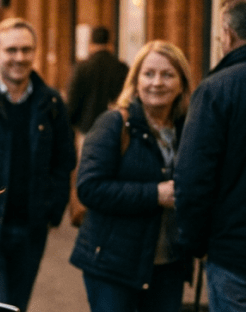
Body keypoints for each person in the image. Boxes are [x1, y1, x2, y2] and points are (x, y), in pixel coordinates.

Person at [0, 17, 76, 311]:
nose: (19, 58)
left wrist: (52, 210)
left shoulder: (50, 103)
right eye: (12, 50)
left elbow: (64, 160)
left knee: (16, 306)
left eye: (26, 50)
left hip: (30, 231)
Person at [69, 41, 194, 312]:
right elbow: (89, 187)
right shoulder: (114, 124)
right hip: (113, 265)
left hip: (168, 265)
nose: (157, 83)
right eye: (148, 74)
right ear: (135, 80)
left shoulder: (190, 129)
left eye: (167, 74)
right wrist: (155, 194)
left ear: (182, 83)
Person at [176, 1, 246, 310]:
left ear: (228, 35)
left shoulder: (217, 90)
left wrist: (196, 243)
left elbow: (193, 181)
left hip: (234, 255)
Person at [65, 26, 129, 226]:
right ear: (111, 42)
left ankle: (86, 213)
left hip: (87, 130)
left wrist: (71, 126)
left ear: (91, 43)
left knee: (87, 176)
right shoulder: (121, 68)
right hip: (118, 131)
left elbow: (72, 103)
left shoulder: (82, 68)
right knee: (112, 174)